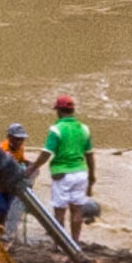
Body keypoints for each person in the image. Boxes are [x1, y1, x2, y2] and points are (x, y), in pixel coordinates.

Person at [42, 93, 97, 247]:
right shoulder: (84, 129)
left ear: (58, 111)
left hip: (62, 175)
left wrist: (32, 168)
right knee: (77, 211)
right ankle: (75, 242)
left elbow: (47, 153)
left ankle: (60, 245)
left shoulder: (56, 129)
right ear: (72, 111)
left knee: (59, 212)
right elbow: (90, 155)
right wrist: (92, 177)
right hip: (81, 173)